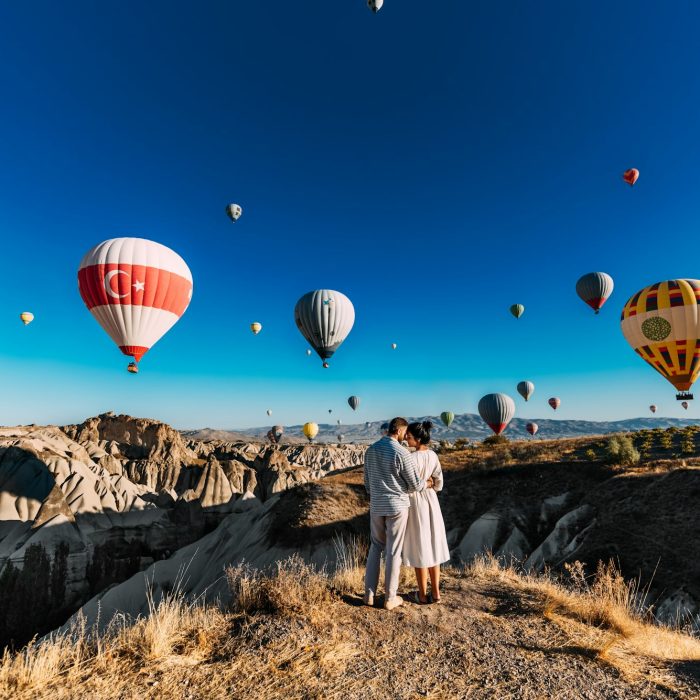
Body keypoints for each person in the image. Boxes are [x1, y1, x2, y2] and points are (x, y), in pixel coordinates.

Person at [363, 417, 430, 610]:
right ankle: (390, 597)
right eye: (405, 433)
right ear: (400, 431)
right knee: (393, 550)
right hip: (397, 507)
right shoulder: (401, 453)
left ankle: (369, 594)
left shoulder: (371, 450)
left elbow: (367, 484)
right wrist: (429, 483)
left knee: (375, 547)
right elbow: (416, 485)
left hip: (376, 505)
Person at [403, 421, 450, 604]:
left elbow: (406, 486)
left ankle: (422, 595)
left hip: (415, 503)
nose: (406, 438)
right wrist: (430, 483)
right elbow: (439, 483)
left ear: (418, 438)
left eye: (409, 436)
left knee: (419, 549)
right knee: (432, 546)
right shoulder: (433, 456)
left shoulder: (410, 458)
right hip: (431, 502)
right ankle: (436, 593)